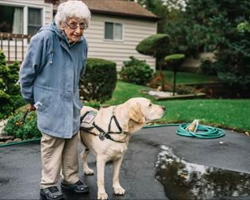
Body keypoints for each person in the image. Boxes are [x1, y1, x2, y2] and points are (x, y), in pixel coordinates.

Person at [19, 0, 91, 199]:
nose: (78, 30)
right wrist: (31, 99)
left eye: (82, 25)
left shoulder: (82, 44)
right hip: (50, 101)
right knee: (52, 142)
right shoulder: (44, 39)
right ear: (61, 23)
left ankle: (70, 179)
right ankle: (48, 184)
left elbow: (80, 71)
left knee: (70, 140)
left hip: (71, 101)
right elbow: (27, 74)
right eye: (73, 24)